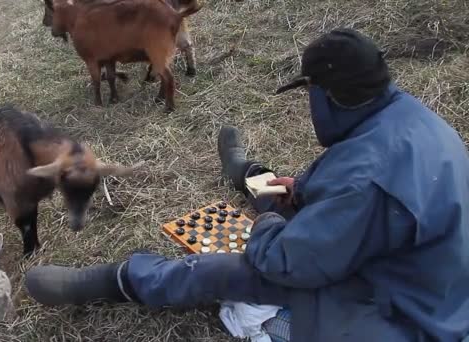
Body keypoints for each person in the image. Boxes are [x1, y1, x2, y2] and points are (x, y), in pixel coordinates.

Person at [24, 28, 469, 342]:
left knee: (226, 268)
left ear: (326, 94)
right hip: (428, 281)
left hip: (402, 315)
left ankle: (116, 281)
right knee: (282, 192)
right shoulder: (407, 119)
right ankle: (245, 171)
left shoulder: (367, 183)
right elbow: (355, 189)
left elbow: (286, 262)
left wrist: (268, 221)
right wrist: (300, 190)